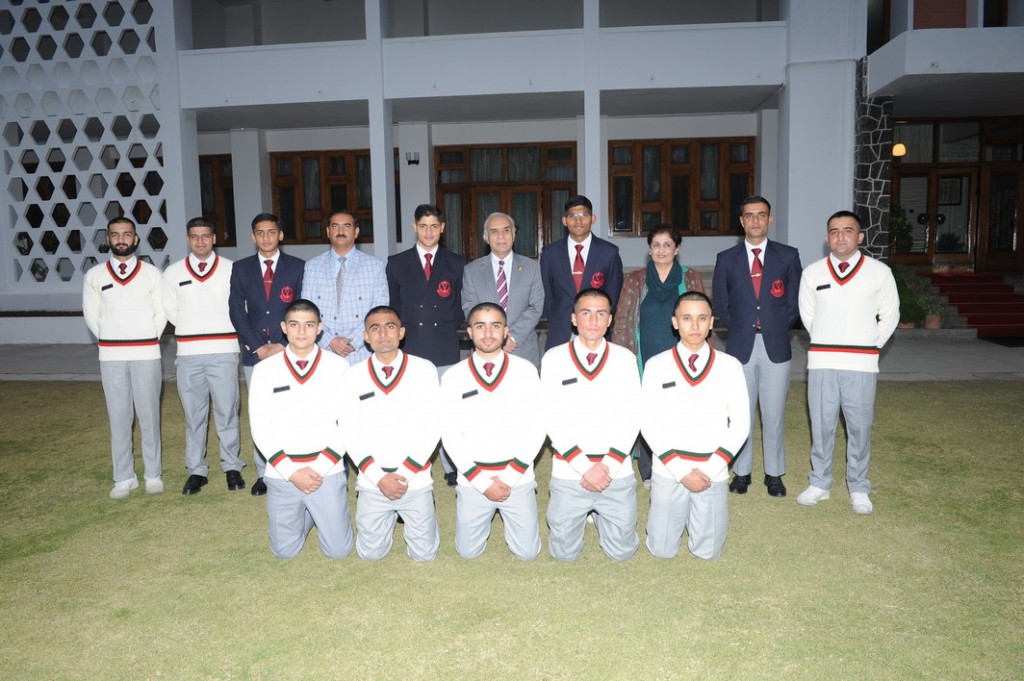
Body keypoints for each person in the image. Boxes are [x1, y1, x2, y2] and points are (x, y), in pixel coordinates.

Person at [796, 210, 899, 515]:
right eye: (834, 231)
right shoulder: (813, 273)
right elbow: (808, 315)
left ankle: (859, 486)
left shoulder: (879, 272)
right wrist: (826, 339)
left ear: (860, 236)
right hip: (822, 362)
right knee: (821, 426)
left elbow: (890, 315)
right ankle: (820, 483)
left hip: (861, 364)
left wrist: (869, 345)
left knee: (859, 428)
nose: (840, 237)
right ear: (827, 238)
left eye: (847, 230)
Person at [640, 291, 750, 560]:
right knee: (662, 550)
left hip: (711, 471)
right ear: (675, 322)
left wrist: (711, 469)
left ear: (711, 322)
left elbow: (740, 425)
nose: (695, 325)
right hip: (669, 468)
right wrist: (680, 471)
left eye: (702, 318)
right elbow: (648, 422)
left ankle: (695, 513)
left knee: (708, 552)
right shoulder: (656, 365)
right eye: (687, 318)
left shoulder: (730, 366)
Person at [541, 288, 641, 562]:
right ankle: (588, 511)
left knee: (622, 553)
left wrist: (607, 465)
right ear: (574, 318)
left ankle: (600, 513)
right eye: (586, 313)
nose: (593, 321)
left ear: (610, 319)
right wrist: (585, 467)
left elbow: (632, 414)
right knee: (563, 554)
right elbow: (550, 416)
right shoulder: (554, 358)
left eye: (601, 313)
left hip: (614, 470)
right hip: (570, 468)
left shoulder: (625, 358)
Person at [248, 299, 353, 559]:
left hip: (326, 470)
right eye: (294, 325)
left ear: (320, 328)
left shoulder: (339, 366)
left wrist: (319, 468)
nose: (302, 331)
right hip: (283, 472)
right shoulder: (264, 370)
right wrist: (290, 471)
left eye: (309, 325)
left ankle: (320, 511)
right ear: (284, 327)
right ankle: (313, 512)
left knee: (338, 551)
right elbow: (259, 425)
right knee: (284, 551)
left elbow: (348, 422)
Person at [440, 303, 545, 560]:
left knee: (528, 553)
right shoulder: (453, 376)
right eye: (480, 326)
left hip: (517, 477)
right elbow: (449, 433)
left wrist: (510, 476)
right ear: (469, 332)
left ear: (506, 331)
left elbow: (537, 427)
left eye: (495, 326)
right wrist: (479, 480)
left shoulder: (526, 371)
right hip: (473, 478)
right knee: (468, 552)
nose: (488, 333)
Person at [712, 196, 802, 497]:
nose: (755, 220)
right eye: (749, 215)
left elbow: (795, 301)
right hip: (741, 345)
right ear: (741, 221)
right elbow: (721, 303)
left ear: (769, 219)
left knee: (774, 414)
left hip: (776, 344)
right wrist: (740, 325)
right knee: (741, 413)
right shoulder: (726, 258)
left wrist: (776, 325)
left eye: (761, 215)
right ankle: (742, 472)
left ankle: (774, 474)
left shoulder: (787, 256)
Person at [338, 306, 441, 561]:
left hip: (414, 478)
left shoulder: (424, 369)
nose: (383, 334)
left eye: (390, 326)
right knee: (370, 554)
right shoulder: (352, 376)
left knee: (424, 555)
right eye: (375, 328)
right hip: (373, 480)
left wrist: (405, 474)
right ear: (365, 336)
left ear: (401, 332)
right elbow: (349, 430)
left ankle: (422, 511)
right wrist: (378, 477)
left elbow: (432, 425)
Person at [611, 223, 705, 486]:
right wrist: (624, 359)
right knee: (648, 412)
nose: (661, 250)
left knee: (680, 409)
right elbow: (622, 320)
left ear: (677, 249)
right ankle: (649, 469)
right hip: (644, 355)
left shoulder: (691, 278)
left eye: (667, 244)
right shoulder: (635, 280)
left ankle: (681, 461)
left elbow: (703, 316)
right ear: (649, 249)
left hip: (681, 357)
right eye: (656, 245)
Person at [82, 216, 166, 499]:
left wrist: (147, 338)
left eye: (127, 234)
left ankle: (153, 474)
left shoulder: (152, 274)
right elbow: (92, 317)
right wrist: (111, 339)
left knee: (149, 415)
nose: (121, 239)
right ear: (108, 238)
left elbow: (161, 313)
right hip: (111, 355)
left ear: (136, 238)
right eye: (115, 234)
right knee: (119, 417)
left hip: (146, 353)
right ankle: (124, 477)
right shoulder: (95, 275)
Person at [163, 217, 244, 495]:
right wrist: (192, 328)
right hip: (189, 353)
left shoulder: (231, 269)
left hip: (224, 351)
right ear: (188, 239)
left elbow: (240, 305)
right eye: (195, 236)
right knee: (194, 415)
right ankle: (196, 470)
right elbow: (170, 310)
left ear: (214, 238)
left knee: (227, 411)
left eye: (205, 236)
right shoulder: (173, 272)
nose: (200, 241)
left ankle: (232, 466)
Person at [386, 204, 465, 485]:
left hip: (444, 346)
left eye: (434, 226)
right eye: (423, 226)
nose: (429, 232)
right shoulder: (396, 263)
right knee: (413, 410)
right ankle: (415, 462)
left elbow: (459, 306)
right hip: (412, 347)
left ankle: (452, 465)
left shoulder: (456, 263)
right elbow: (393, 307)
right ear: (414, 227)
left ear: (442, 228)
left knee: (448, 410)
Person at [228, 213, 305, 496]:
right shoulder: (241, 268)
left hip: (290, 350)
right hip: (256, 353)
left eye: (271, 232)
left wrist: (284, 344)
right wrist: (257, 346)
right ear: (253, 236)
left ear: (280, 235)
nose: (266, 237)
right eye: (260, 232)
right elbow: (236, 311)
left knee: (291, 409)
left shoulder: (298, 267)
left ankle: (294, 464)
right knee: (261, 412)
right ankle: (264, 472)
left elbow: (302, 308)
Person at [300, 210, 389, 365]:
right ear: (328, 231)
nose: (340, 231)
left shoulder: (375, 266)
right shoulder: (312, 266)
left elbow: (380, 310)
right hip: (323, 352)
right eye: (335, 226)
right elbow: (306, 310)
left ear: (356, 232)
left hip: (362, 352)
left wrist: (353, 342)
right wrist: (329, 340)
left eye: (346, 226)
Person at [540, 195, 624, 350]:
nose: (578, 221)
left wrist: (601, 320)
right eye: (572, 216)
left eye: (584, 215)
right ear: (564, 221)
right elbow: (546, 293)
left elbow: (613, 295)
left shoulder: (609, 253)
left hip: (596, 329)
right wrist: (558, 319)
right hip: (560, 331)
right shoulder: (550, 253)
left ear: (593, 218)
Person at [461, 212, 545, 367]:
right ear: (486, 237)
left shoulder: (532, 268)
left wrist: (512, 338)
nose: (501, 236)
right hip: (485, 348)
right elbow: (470, 307)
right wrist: (495, 337)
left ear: (514, 235)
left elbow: (536, 307)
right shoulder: (471, 271)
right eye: (494, 231)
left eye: (506, 230)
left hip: (523, 349)